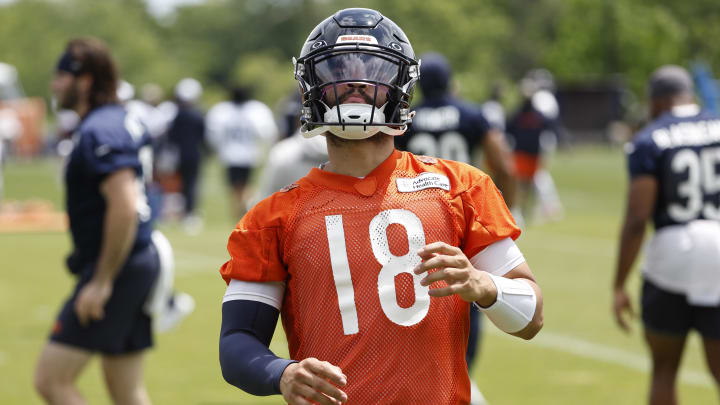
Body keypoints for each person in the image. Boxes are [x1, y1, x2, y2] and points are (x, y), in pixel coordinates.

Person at [218, 8, 544, 405]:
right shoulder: (272, 218)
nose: (356, 85)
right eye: (337, 74)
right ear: (310, 90)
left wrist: (486, 285)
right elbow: (237, 343)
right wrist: (281, 373)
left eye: (373, 74)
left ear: (400, 87)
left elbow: (532, 319)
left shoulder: (461, 187)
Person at [34, 37, 159, 405]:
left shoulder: (99, 128)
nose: (54, 85)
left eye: (60, 76)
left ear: (84, 80)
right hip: (136, 257)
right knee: (126, 389)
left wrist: (102, 280)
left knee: (52, 380)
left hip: (118, 265)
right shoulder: (117, 119)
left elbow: (123, 204)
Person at [395, 51, 517, 405]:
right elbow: (503, 162)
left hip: (417, 219)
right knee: (470, 295)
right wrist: (505, 208)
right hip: (465, 214)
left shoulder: (409, 119)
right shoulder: (471, 113)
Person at [613, 65, 720, 405]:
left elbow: (637, 217)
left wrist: (619, 283)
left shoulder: (649, 138)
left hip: (671, 255)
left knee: (663, 371)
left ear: (656, 101)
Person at [205, 85, 278, 220]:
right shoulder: (256, 111)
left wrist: (216, 149)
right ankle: (243, 212)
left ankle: (240, 214)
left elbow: (214, 135)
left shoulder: (222, 112)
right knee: (243, 187)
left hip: (230, 155)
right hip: (249, 154)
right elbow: (266, 133)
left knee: (236, 189)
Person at [506, 68, 565, 225]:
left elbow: (551, 126)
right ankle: (519, 211)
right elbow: (508, 129)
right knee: (521, 186)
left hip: (532, 155)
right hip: (522, 154)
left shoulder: (535, 115)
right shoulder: (519, 115)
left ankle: (527, 211)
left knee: (529, 185)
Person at [166, 78, 206, 232]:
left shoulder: (178, 114)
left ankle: (178, 213)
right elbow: (203, 136)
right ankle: (189, 213)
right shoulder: (198, 114)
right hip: (194, 154)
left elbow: (171, 136)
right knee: (191, 184)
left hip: (178, 154)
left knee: (177, 184)